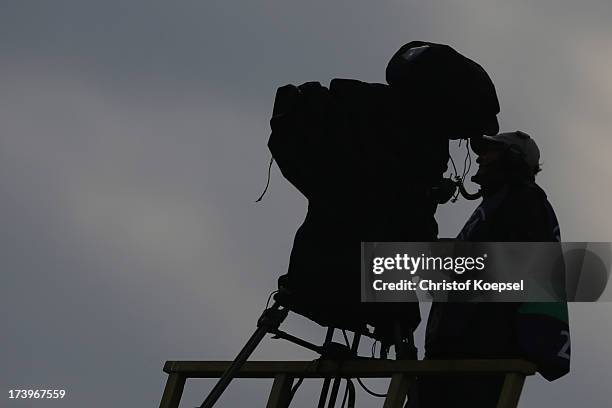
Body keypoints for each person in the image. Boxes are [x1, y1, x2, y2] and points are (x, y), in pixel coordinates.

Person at [418, 131, 571, 407]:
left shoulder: (525, 202)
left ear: (513, 159)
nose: (480, 157)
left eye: (490, 151)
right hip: (454, 358)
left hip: (479, 360)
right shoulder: (498, 204)